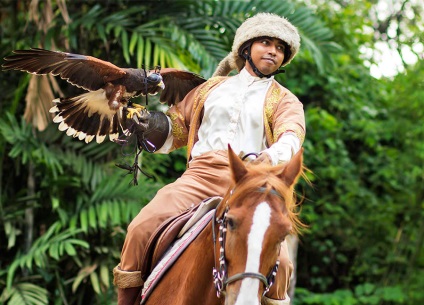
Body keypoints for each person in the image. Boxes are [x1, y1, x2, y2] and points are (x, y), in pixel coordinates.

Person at [113, 12, 305, 305]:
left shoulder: (286, 100)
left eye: (280, 48)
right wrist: (143, 125)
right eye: (265, 42)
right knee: (141, 226)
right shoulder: (209, 89)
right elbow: (174, 131)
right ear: (245, 48)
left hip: (249, 186)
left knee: (283, 266)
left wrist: (268, 157)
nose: (273, 51)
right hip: (198, 179)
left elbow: (291, 136)